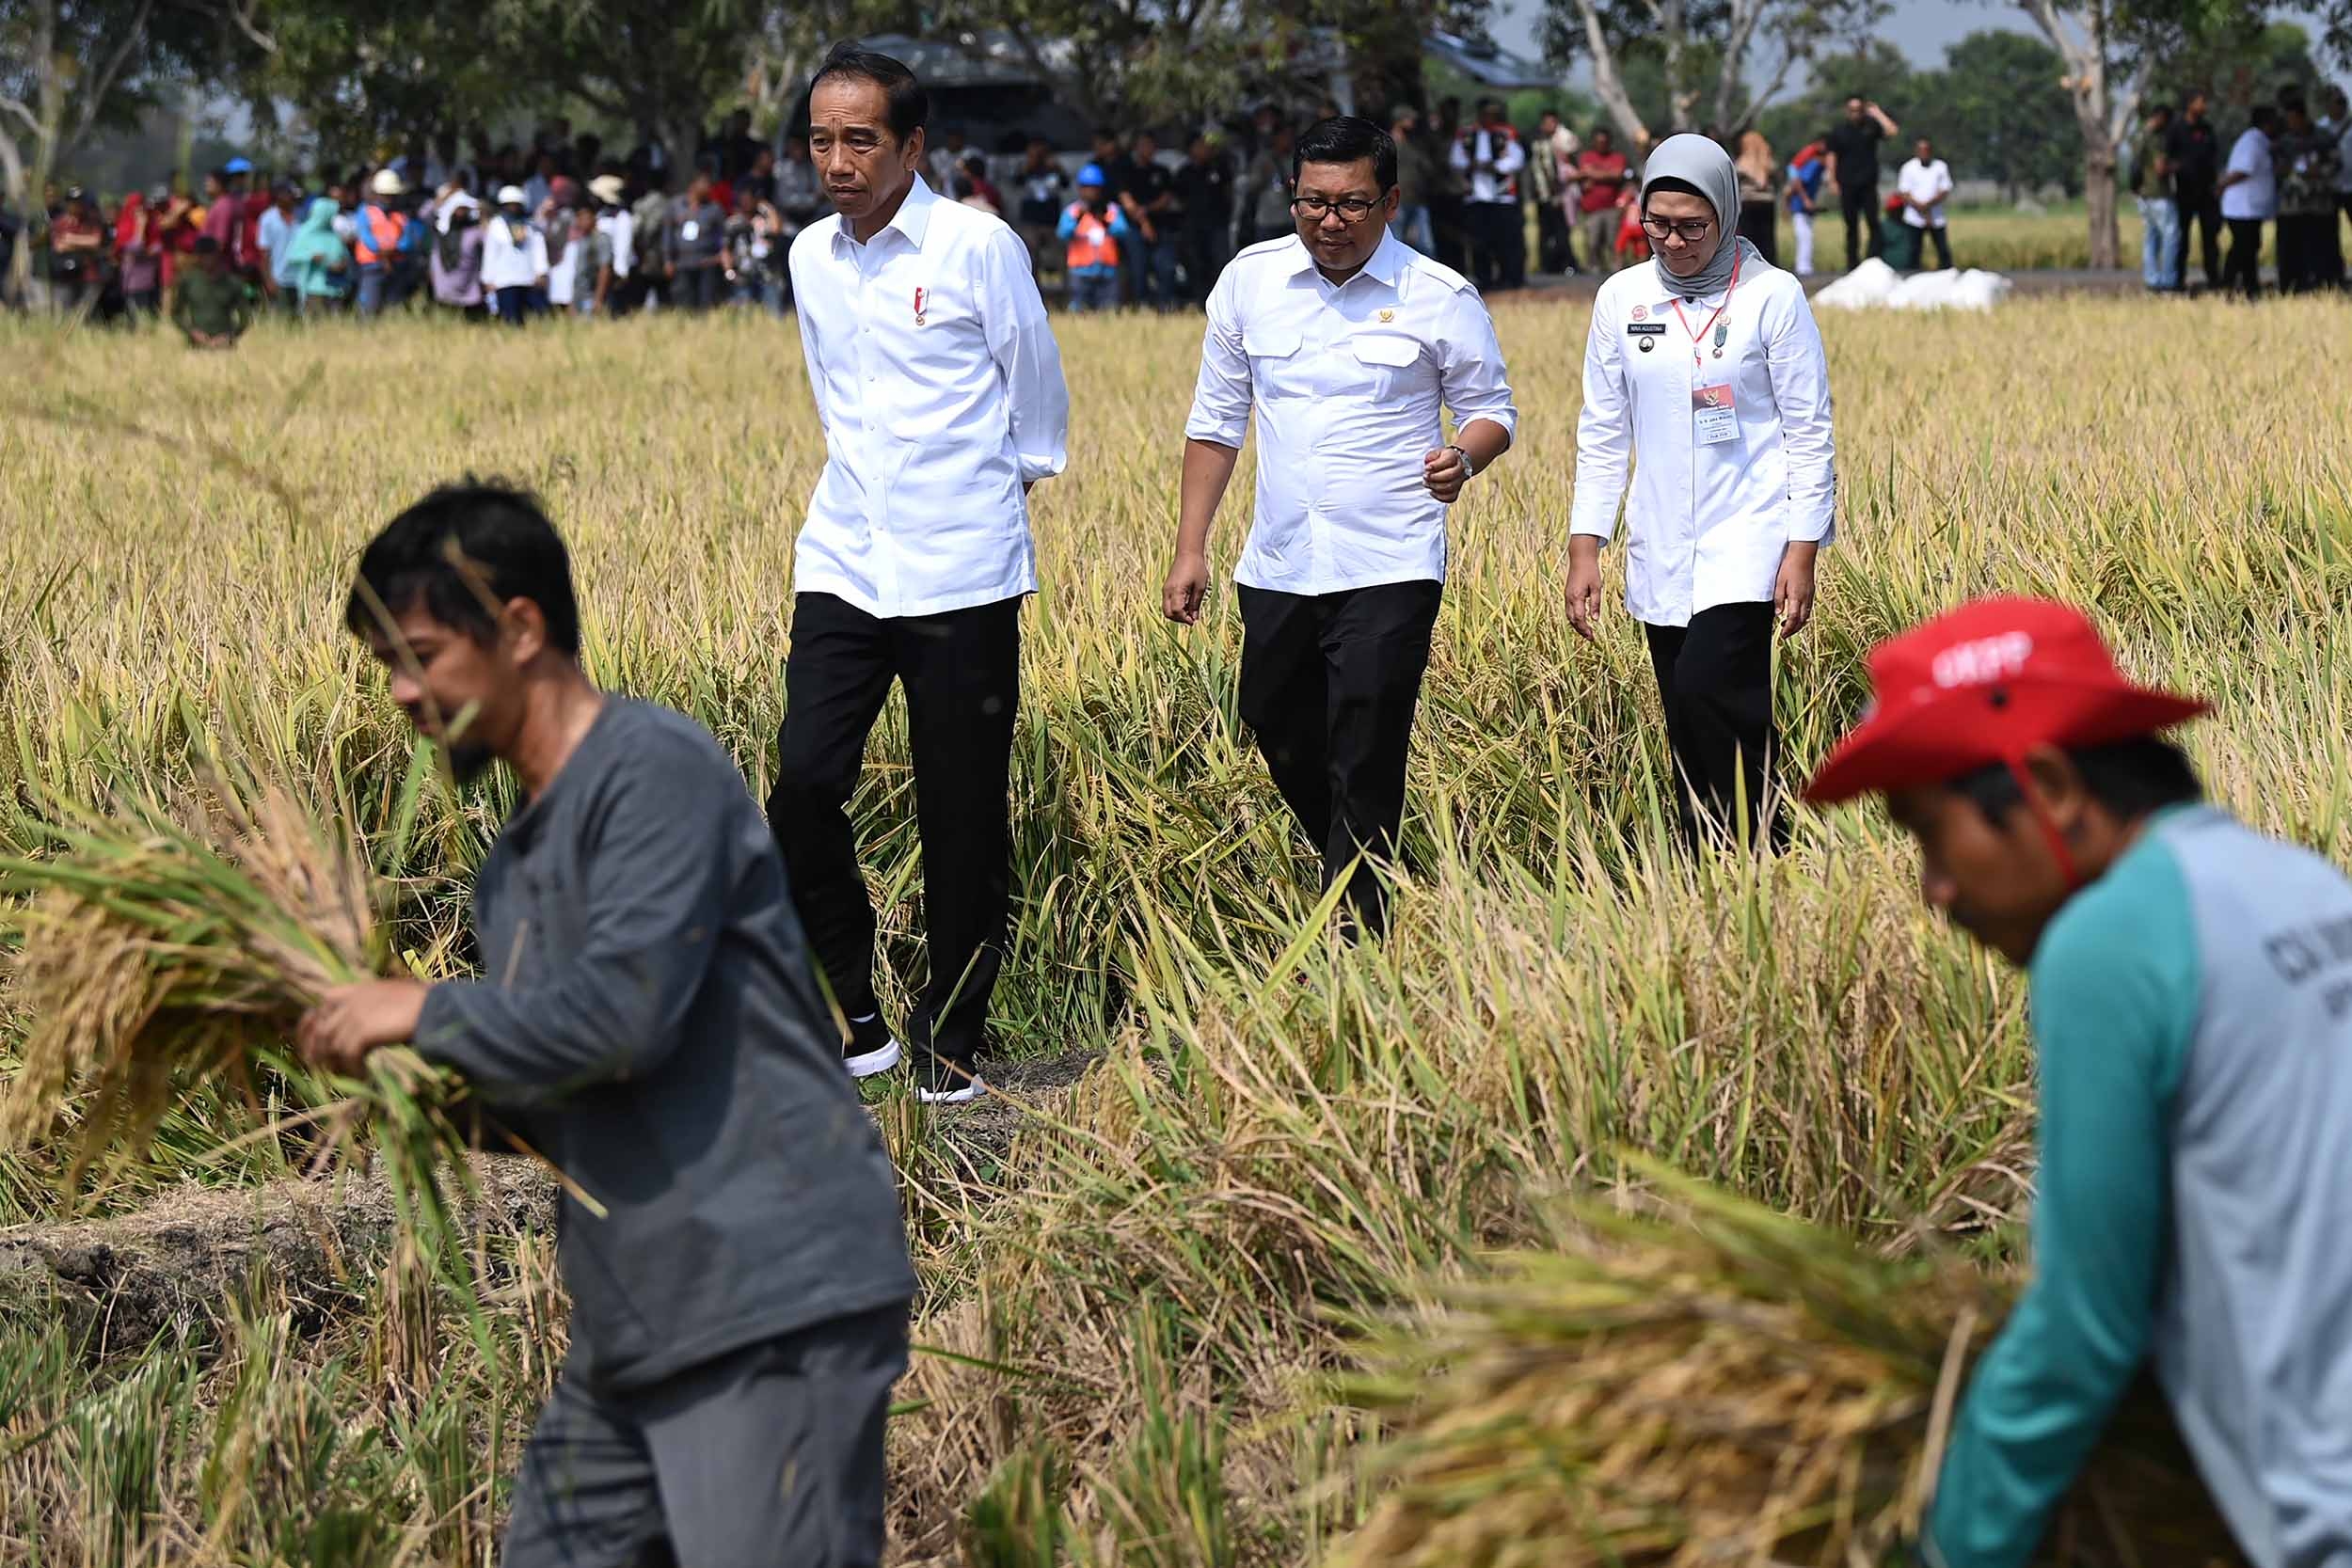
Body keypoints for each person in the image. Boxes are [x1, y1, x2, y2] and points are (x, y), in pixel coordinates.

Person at [301, 483, 917, 1568]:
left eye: (424, 654)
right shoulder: (513, 871)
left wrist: (425, 1008)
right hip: (641, 1317)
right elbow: (557, 1087)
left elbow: (620, 1018)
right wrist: (420, 1081)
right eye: (386, 665)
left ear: (523, 629)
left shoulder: (652, 774)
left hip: (765, 1298)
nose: (401, 693)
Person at [1801, 595, 2352, 1568]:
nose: (1934, 887)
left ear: (2050, 785)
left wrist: (1952, 1550)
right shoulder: (2304, 887)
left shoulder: (2106, 945)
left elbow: (2082, 1326)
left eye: (1930, 833)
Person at [773, 43, 1070, 1104]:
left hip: (963, 573)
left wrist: (994, 496)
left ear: (912, 145)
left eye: (862, 139)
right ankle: (853, 1010)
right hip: (845, 557)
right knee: (802, 784)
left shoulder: (976, 246)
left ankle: (952, 1035)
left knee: (962, 812)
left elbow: (1035, 393)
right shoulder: (811, 255)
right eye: (821, 140)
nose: (839, 160)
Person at [1167, 116, 1516, 936]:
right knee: (1271, 717)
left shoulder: (1438, 296)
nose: (1329, 220)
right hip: (1281, 560)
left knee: (1366, 736)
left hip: (1390, 558)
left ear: (1389, 202)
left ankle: (1357, 937)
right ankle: (1363, 867)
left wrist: (1462, 458)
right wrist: (1191, 547)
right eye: (1311, 202)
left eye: (1352, 204)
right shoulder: (1249, 283)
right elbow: (1217, 423)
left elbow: (1490, 411)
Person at [1565, 134, 1836, 853]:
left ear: (1728, 213)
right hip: (1660, 536)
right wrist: (1584, 544)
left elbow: (1808, 429)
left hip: (1749, 530)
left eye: (1694, 226)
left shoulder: (1771, 297)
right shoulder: (1622, 297)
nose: (1675, 242)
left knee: (1715, 689)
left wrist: (1803, 548)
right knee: (1683, 708)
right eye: (1659, 224)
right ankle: (1710, 855)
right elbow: (1602, 428)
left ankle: (1759, 845)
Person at [1451, 98, 1527, 292]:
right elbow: (1455, 159)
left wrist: (1496, 166)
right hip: (1475, 196)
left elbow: (1517, 159)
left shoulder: (1507, 133)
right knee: (1479, 241)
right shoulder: (1466, 134)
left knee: (1506, 240)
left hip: (1502, 197)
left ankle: (1509, 277)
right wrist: (1472, 165)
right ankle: (1484, 279)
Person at [2273, 86, 2342, 293]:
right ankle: (2292, 286)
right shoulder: (2283, 141)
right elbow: (2276, 167)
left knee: (2322, 249)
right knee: (2290, 251)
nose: (2290, 123)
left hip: (2319, 205)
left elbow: (2337, 164)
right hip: (2291, 206)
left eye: (2293, 119)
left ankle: (2326, 285)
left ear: (2302, 117)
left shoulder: (2323, 137)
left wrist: (2319, 171)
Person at [1824, 95, 1899, 269]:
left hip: (1868, 184)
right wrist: (1832, 180)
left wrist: (1877, 113)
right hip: (1847, 184)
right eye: (1852, 110)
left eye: (1858, 110)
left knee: (1873, 222)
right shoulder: (1839, 131)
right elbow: (1831, 156)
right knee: (1851, 226)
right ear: (1846, 111)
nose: (1855, 114)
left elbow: (1892, 131)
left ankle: (1874, 260)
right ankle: (1852, 264)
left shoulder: (1871, 127)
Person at [2166, 88, 2225, 289]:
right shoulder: (2175, 129)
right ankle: (2178, 279)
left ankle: (2214, 279)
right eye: (2201, 102)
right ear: (2190, 105)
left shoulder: (2207, 129)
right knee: (2182, 239)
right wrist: (2175, 168)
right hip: (2184, 192)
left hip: (2207, 192)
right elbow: (2166, 157)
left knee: (2210, 238)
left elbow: (2215, 157)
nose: (2204, 107)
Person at [1118, 129, 1180, 311]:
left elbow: (1166, 198)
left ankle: (1166, 305)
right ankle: (1141, 305)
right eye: (1143, 145)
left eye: (1150, 145)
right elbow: (1126, 201)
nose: (1147, 149)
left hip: (1161, 227)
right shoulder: (1126, 172)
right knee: (1138, 268)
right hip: (1134, 228)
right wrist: (1144, 222)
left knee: (1165, 267)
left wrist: (1147, 211)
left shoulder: (1162, 172)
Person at [2218, 104, 2276, 299]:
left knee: (2249, 247)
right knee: (2243, 248)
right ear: (2266, 123)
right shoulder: (2252, 141)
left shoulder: (2261, 141)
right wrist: (2221, 186)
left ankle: (2249, 286)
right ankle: (2230, 284)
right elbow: (2243, 170)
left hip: (2252, 208)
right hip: (2243, 207)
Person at [1059, 164, 1131, 311]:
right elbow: (1063, 233)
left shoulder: (1111, 210)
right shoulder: (1072, 211)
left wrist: (1104, 221)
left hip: (1107, 271)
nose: (1090, 193)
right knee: (1078, 311)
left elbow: (1122, 231)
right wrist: (1079, 217)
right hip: (1080, 272)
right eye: (1087, 188)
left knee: (1109, 312)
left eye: (1094, 188)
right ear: (1080, 189)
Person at [1174, 132, 1234, 301]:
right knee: (1196, 264)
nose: (1205, 149)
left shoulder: (1220, 169)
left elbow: (1228, 194)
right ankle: (1199, 300)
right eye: (1200, 145)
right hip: (1193, 227)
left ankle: (1222, 301)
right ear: (1191, 149)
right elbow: (1179, 200)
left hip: (1217, 225)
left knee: (1219, 263)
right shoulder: (1184, 173)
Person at [2131, 103, 2184, 293]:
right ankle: (2169, 281)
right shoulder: (2158, 139)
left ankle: (2152, 279)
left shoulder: (2139, 136)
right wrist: (2178, 166)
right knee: (2171, 237)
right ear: (2161, 117)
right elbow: (2161, 168)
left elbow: (2135, 164)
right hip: (2160, 194)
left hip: (2143, 194)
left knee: (2150, 238)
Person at [482, 185, 548, 323]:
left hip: (528, 278)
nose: (513, 208)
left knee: (536, 316)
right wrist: (488, 278)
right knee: (510, 318)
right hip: (505, 280)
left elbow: (538, 248)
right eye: (509, 205)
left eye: (516, 204)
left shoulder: (530, 224)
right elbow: (490, 253)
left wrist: (541, 271)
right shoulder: (496, 225)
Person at [664, 171, 729, 310]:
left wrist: (722, 255)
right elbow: (668, 234)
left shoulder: (715, 209)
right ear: (693, 186)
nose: (708, 188)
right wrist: (667, 259)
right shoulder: (676, 206)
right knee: (683, 303)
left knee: (706, 304)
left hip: (706, 262)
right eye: (704, 184)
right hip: (682, 263)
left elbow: (724, 236)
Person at [1576, 127, 1635, 278]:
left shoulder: (1617, 157)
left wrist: (1593, 173)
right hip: (1592, 208)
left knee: (1613, 240)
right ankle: (1594, 268)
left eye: (1604, 142)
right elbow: (1582, 172)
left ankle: (1617, 269)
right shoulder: (1586, 157)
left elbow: (1617, 174)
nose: (1601, 145)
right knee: (1593, 240)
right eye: (1598, 142)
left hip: (1611, 207)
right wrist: (1606, 174)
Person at [170, 236, 249, 348]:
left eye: (209, 255)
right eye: (201, 255)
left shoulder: (233, 283)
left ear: (217, 255)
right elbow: (176, 314)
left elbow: (245, 318)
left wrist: (229, 336)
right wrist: (192, 332)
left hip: (225, 346)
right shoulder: (188, 281)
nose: (206, 259)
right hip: (196, 346)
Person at [281, 195, 354, 312]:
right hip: (314, 289)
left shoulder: (334, 234)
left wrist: (342, 264)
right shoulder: (304, 232)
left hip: (335, 288)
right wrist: (311, 257)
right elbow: (292, 256)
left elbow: (345, 255)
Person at [353, 168, 410, 317]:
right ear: (377, 194)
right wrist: (383, 254)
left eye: (392, 195)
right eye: (385, 195)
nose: (389, 198)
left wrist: (391, 252)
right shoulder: (365, 212)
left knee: (393, 307)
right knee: (369, 308)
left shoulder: (400, 215)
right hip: (372, 267)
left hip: (396, 267)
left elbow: (406, 241)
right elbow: (366, 238)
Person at [1527, 107, 1578, 274]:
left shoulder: (1562, 139)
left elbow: (1553, 169)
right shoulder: (1540, 141)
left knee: (1561, 231)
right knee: (1547, 231)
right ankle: (1549, 264)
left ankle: (1566, 263)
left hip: (1558, 193)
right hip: (1545, 194)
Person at [1014, 136, 1070, 279]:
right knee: (1031, 257)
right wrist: (1029, 165)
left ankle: (1057, 293)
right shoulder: (1025, 167)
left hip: (1051, 221)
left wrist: (1056, 168)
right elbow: (1016, 182)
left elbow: (1066, 184)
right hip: (1031, 221)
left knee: (1055, 258)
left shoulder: (1054, 167)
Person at [1896, 135, 1954, 271]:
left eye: (1926, 150)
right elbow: (1904, 192)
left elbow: (1944, 190)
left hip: (1936, 216)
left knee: (1943, 250)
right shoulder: (1908, 168)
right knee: (1913, 251)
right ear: (1916, 152)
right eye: (1921, 150)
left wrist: (1928, 206)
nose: (1924, 154)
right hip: (1914, 217)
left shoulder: (1940, 167)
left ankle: (1947, 273)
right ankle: (1912, 275)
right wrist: (1920, 207)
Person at [45, 188, 105, 313]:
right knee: (64, 312)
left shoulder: (92, 221)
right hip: (66, 274)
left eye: (79, 202)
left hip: (89, 273)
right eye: (73, 202)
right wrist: (84, 242)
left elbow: (95, 242)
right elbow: (59, 246)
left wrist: (71, 239)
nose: (76, 206)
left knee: (84, 312)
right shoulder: (60, 223)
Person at [113, 184, 170, 316]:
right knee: (137, 315)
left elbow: (159, 244)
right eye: (136, 207)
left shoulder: (153, 223)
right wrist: (140, 227)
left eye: (141, 206)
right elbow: (135, 249)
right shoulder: (125, 226)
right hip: (134, 282)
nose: (140, 210)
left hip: (153, 279)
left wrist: (152, 248)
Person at [1388, 105, 1437, 257]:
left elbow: (1428, 167)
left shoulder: (1415, 144)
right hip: (1397, 200)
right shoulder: (1387, 143)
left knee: (1426, 246)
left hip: (1418, 199)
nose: (1413, 122)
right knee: (1396, 242)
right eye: (1409, 118)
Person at [1239, 120, 1296, 250]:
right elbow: (1251, 186)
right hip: (1267, 219)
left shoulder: (1295, 158)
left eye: (1289, 136)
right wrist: (1262, 175)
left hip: (1289, 218)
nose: (1287, 140)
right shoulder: (1263, 159)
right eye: (1284, 136)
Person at [430, 203, 486, 318]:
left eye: (464, 210)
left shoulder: (475, 231)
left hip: (469, 284)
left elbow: (488, 240)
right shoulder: (440, 233)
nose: (460, 214)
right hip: (444, 284)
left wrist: (483, 216)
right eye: (457, 210)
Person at [588, 174, 634, 312]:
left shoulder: (622, 217)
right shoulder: (602, 214)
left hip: (614, 274)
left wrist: (621, 272)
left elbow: (623, 247)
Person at [1734, 129, 1780, 268]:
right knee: (1768, 238)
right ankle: (1770, 265)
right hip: (1767, 202)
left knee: (1749, 237)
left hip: (1749, 201)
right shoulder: (1769, 163)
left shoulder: (1742, 162)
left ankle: (1750, 266)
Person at [256, 182, 302, 309]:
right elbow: (264, 252)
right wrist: (268, 280)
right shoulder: (267, 219)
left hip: (300, 278)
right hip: (279, 278)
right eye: (290, 194)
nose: (293, 198)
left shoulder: (301, 217)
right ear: (279, 196)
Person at [1786, 137, 1827, 276]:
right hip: (1799, 206)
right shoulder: (1814, 164)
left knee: (1806, 236)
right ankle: (1803, 268)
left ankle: (1805, 266)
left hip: (1802, 206)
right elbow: (1798, 181)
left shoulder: (1816, 165)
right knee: (1805, 236)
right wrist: (1806, 200)